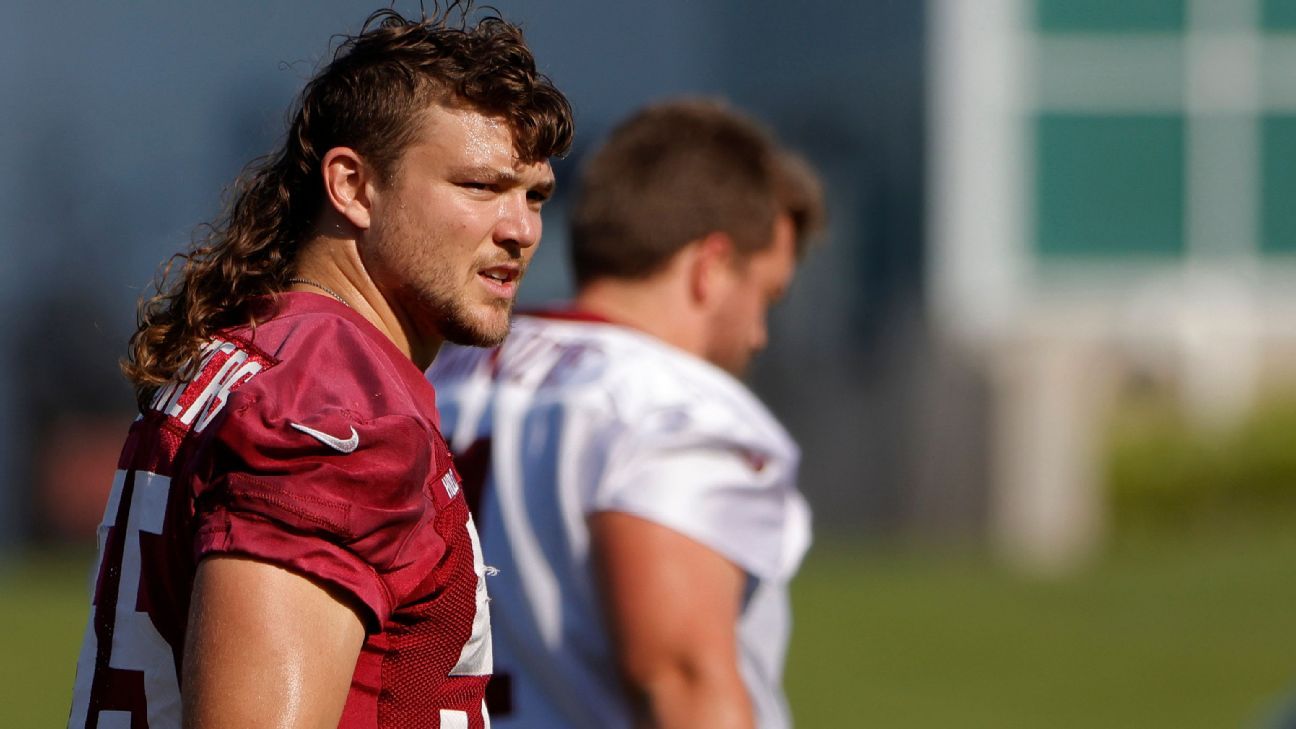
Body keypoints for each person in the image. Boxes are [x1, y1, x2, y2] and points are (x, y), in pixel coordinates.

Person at [67, 5, 572, 728]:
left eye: (535, 195)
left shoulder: (266, 351)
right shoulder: (335, 408)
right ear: (352, 185)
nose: (521, 228)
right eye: (480, 187)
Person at [428, 99, 825, 729]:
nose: (758, 335)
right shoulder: (671, 407)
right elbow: (681, 681)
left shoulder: (445, 369)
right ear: (713, 269)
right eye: (765, 296)